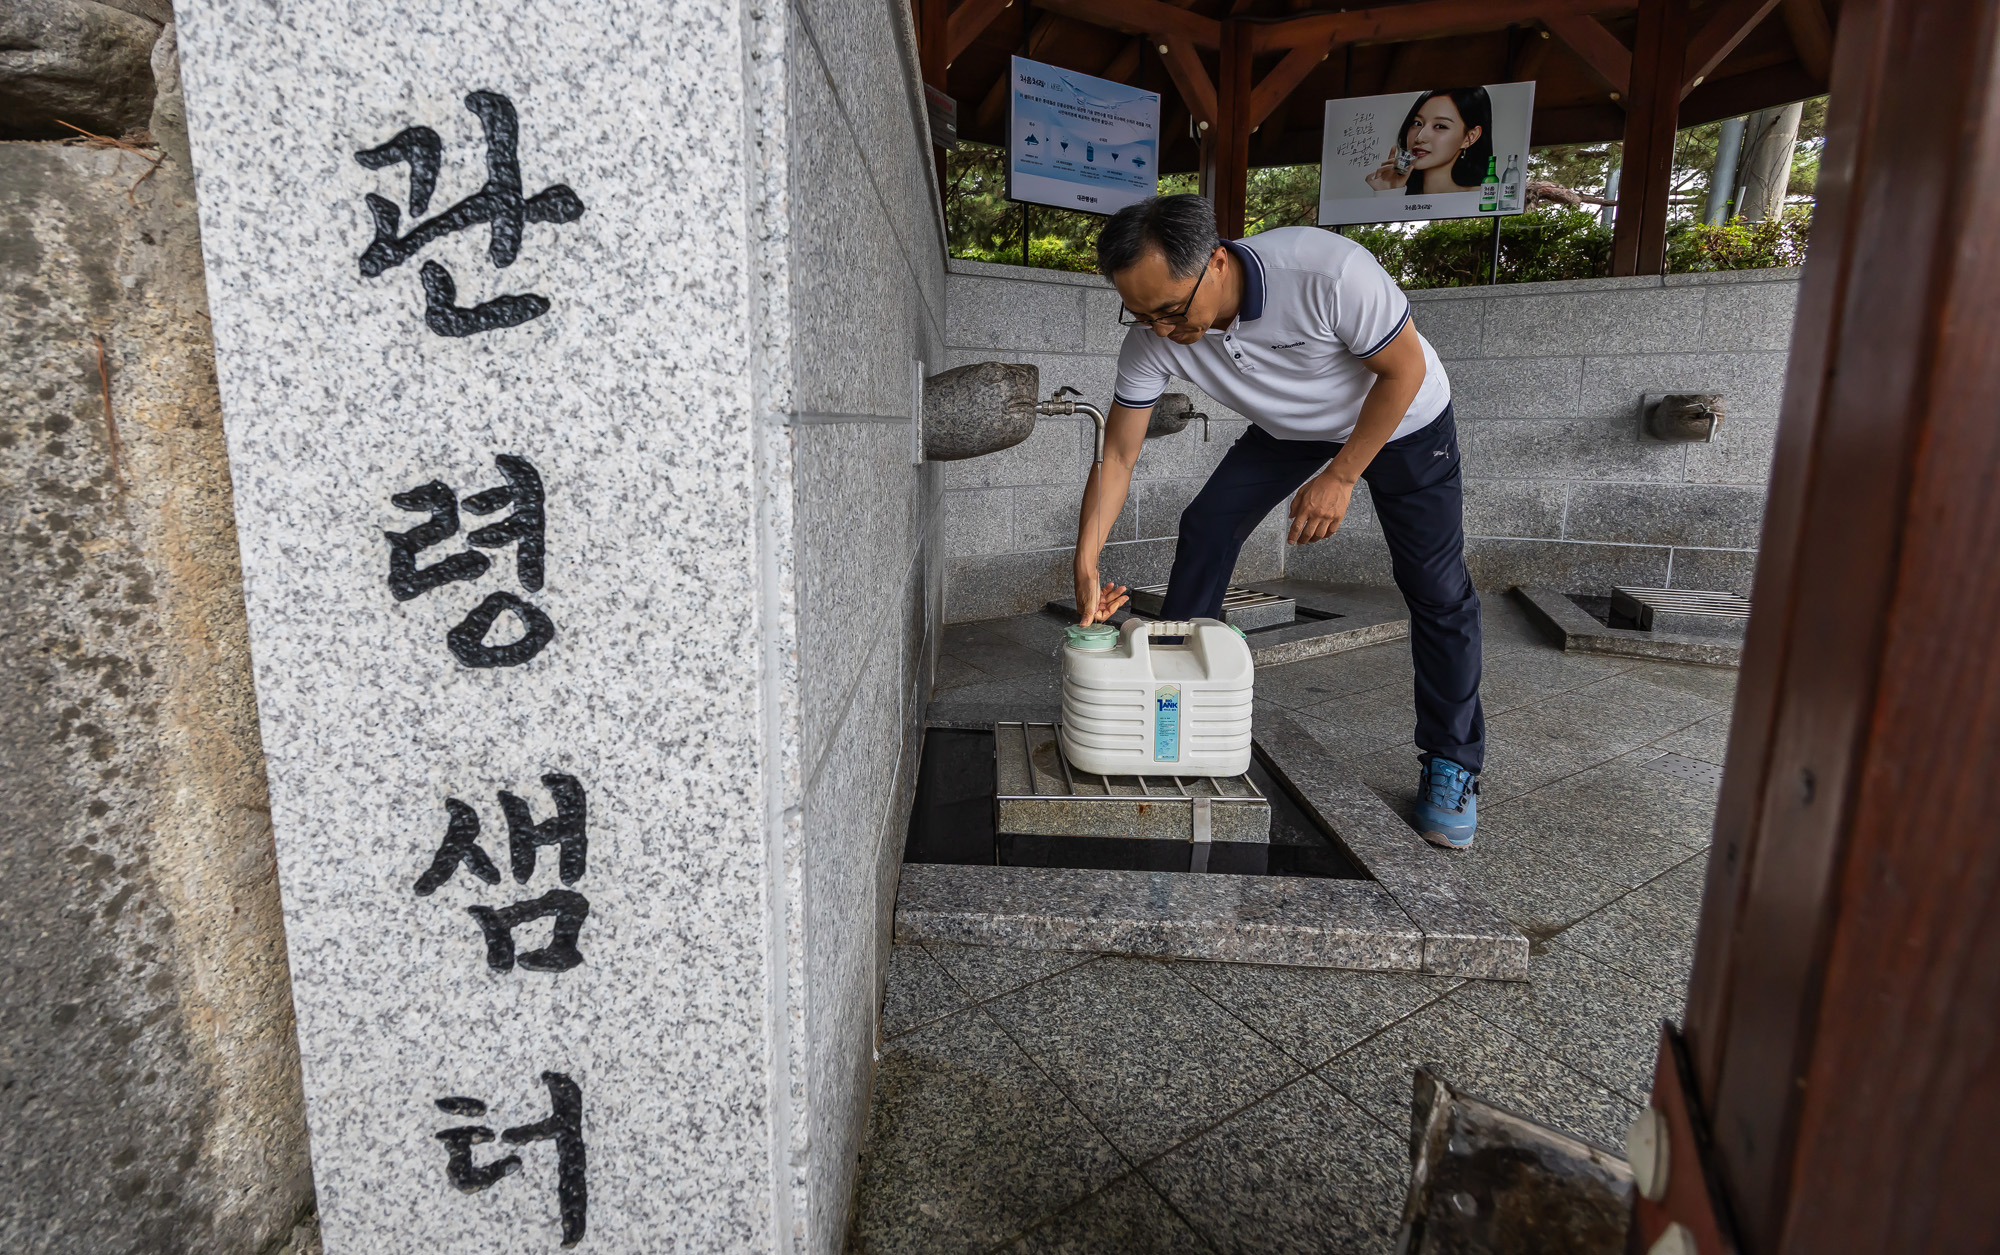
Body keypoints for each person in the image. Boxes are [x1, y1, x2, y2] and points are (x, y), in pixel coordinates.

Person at [1074, 194, 1483, 849]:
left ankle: (1453, 763)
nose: (1159, 331)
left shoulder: (1326, 273)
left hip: (1403, 417)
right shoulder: (1153, 336)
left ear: (1215, 261)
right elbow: (1119, 453)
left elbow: (1402, 367)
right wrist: (1087, 558)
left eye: (1173, 312)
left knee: (1434, 586)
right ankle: (1180, 706)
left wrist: (1343, 475)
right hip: (1291, 428)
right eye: (1140, 313)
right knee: (1207, 524)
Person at [1365, 87, 1493, 196]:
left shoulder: (1478, 196)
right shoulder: (1397, 192)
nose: (1419, 138)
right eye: (1417, 123)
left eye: (1440, 126)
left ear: (1470, 137)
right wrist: (1388, 194)